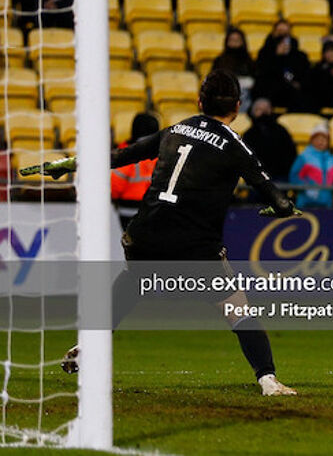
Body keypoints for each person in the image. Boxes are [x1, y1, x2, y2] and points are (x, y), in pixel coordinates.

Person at [23, 70, 300, 396]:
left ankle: (89, 345)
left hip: (144, 234)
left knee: (130, 284)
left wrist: (70, 162)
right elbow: (273, 195)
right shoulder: (235, 145)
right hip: (195, 244)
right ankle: (267, 379)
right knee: (237, 307)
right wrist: (281, 209)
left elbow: (120, 156)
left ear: (200, 101)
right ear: (237, 107)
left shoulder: (174, 130)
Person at [289, 122, 333, 208]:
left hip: (327, 205)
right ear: (312, 140)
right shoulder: (304, 157)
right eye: (317, 138)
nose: (320, 142)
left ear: (328, 142)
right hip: (306, 204)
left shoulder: (332, 160)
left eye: (324, 139)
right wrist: (305, 187)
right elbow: (294, 176)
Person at [111, 113, 160, 230]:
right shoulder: (162, 152)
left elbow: (115, 186)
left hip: (127, 209)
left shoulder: (125, 153)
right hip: (154, 209)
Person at [242, 97, 298, 182]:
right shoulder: (249, 135)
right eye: (259, 109)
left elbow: (291, 154)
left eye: (266, 109)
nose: (263, 112)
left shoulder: (281, 130)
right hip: (257, 179)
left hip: (280, 177)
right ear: (253, 113)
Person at [253, 33, 311, 111]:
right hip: (272, 94)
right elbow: (265, 77)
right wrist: (277, 56)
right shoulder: (267, 58)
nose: (285, 46)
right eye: (281, 43)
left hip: (293, 97)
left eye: (287, 43)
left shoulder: (299, 58)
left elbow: (303, 78)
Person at [212, 28, 256, 112]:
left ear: (243, 42)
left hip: (245, 95)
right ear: (227, 42)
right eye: (232, 40)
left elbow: (254, 81)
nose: (235, 42)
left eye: (237, 40)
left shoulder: (249, 62)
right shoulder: (219, 61)